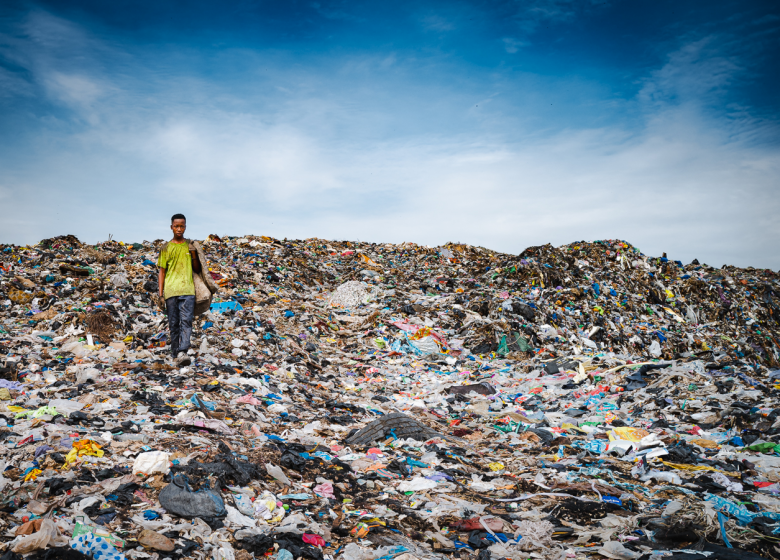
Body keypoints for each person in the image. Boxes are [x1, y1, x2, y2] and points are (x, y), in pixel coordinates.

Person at [157, 213, 201, 365]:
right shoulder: (165, 248)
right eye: (176, 226)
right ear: (171, 227)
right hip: (170, 292)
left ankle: (183, 350)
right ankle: (176, 354)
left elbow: (196, 268)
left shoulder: (190, 245)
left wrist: (194, 253)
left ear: (185, 227)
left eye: (182, 226)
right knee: (174, 323)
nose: (179, 229)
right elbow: (162, 272)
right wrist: (160, 294)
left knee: (186, 321)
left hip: (188, 291)